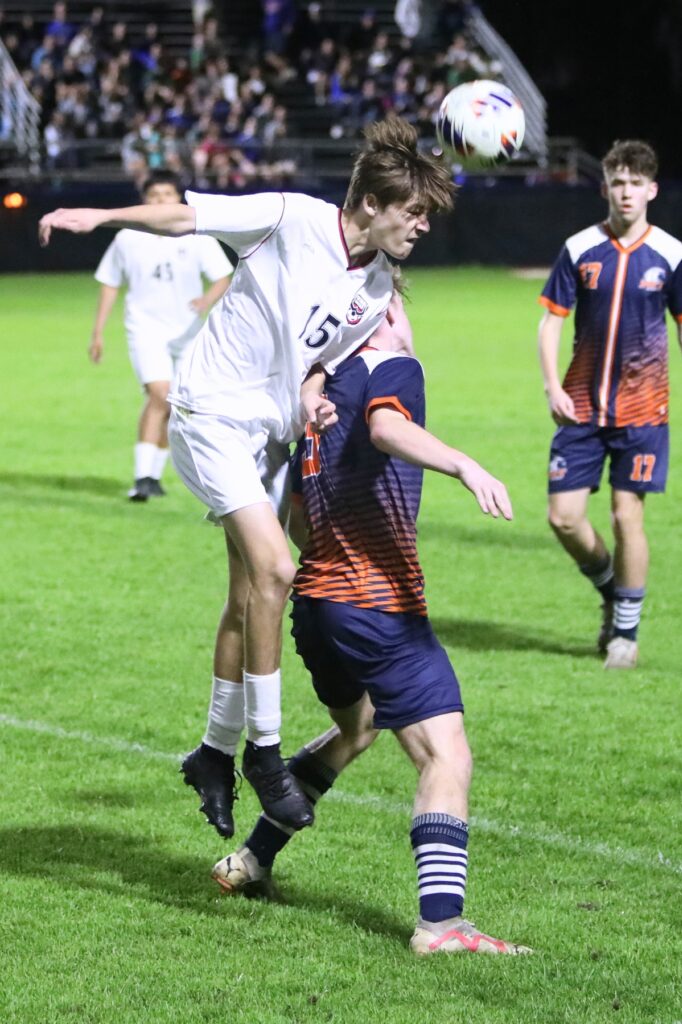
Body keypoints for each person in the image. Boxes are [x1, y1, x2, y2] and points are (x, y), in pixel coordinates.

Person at [38, 115, 455, 835]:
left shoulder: (379, 288)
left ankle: (211, 752)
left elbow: (314, 364)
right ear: (368, 205)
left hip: (268, 438)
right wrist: (103, 213)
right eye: (412, 213)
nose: (421, 228)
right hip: (208, 414)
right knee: (275, 570)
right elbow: (186, 215)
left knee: (245, 599)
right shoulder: (290, 215)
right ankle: (263, 754)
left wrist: (312, 400)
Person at [210, 287, 532, 957]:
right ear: (383, 314)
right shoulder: (390, 367)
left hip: (317, 605)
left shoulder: (314, 403)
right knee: (445, 752)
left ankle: (253, 858)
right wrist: (464, 464)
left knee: (356, 730)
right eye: (402, 306)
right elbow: (387, 428)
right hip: (376, 606)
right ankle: (441, 926)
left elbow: (295, 518)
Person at [538, 140, 682, 669]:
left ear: (651, 190)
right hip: (579, 408)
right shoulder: (579, 248)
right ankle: (609, 586)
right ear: (605, 188)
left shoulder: (670, 254)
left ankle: (625, 633)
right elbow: (551, 320)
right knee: (564, 517)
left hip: (644, 412)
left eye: (634, 183)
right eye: (617, 182)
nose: (625, 192)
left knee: (627, 517)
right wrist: (552, 385)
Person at [90, 170, 233, 501]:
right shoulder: (129, 236)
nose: (161, 201)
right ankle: (141, 477)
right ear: (145, 200)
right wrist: (98, 331)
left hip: (187, 331)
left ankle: (153, 476)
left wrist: (206, 300)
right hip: (145, 329)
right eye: (154, 196)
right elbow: (110, 281)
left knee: (176, 403)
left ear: (177, 198)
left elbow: (222, 276)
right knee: (159, 394)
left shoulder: (196, 236)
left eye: (167, 195)